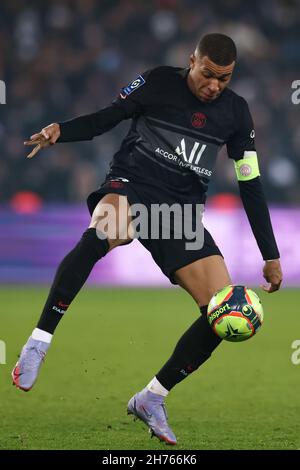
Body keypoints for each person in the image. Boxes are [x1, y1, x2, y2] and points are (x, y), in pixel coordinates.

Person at [13, 33, 282, 445]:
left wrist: (270, 253)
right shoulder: (158, 82)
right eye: (208, 75)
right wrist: (60, 132)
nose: (214, 86)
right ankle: (39, 342)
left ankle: (152, 398)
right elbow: (108, 116)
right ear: (192, 61)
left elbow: (251, 183)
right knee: (98, 236)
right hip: (132, 186)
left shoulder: (236, 113)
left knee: (224, 313)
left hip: (180, 214)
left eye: (224, 79)